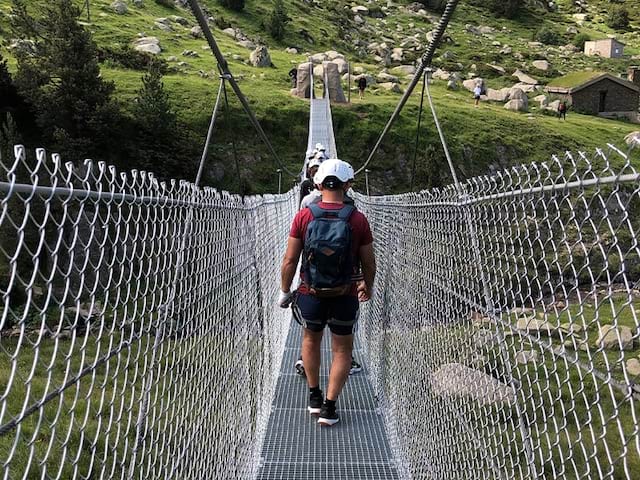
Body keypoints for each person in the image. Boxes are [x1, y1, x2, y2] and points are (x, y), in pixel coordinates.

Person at [279, 159, 376, 426]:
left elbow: (289, 260)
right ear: (348, 185)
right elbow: (368, 262)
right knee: (342, 350)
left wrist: (285, 291)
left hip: (311, 293)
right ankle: (329, 408)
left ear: (318, 184)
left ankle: (313, 397)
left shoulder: (304, 216)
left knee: (310, 340)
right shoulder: (358, 219)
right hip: (345, 295)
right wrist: (366, 285)